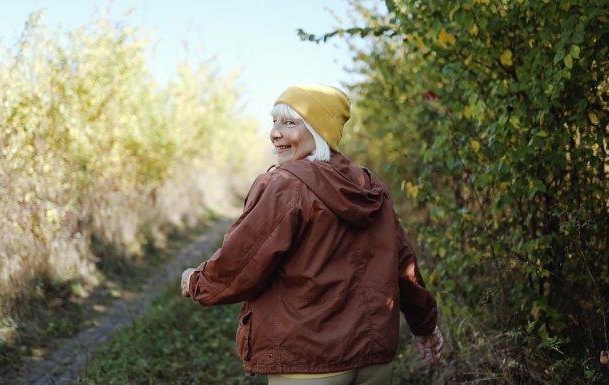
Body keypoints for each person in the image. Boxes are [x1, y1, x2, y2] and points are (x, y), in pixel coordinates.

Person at [180, 84, 443, 384]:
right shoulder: (370, 186)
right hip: (374, 357)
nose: (275, 132)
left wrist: (197, 281)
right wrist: (425, 326)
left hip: (309, 361)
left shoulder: (284, 185)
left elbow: (242, 263)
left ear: (319, 131)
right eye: (274, 121)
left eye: (290, 123)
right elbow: (405, 267)